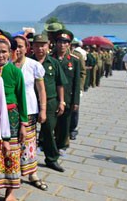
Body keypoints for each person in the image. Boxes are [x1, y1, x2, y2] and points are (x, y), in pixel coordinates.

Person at [0, 39, 27, 201]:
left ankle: (10, 192)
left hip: (12, 117)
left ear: (10, 52)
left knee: (10, 154)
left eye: (4, 51)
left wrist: (24, 124)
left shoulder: (15, 71)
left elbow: (22, 98)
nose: (0, 55)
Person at [12, 35, 48, 191]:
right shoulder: (6, 65)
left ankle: (32, 174)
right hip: (11, 111)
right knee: (13, 143)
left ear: (27, 48)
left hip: (30, 110)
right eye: (15, 46)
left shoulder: (34, 65)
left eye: (21, 46)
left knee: (29, 142)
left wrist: (43, 109)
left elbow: (41, 89)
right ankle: (12, 175)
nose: (18, 49)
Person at [31, 34, 67, 173]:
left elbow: (60, 84)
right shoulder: (27, 62)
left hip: (51, 101)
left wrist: (62, 102)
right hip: (31, 101)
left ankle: (51, 159)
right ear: (32, 46)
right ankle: (26, 159)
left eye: (43, 45)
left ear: (48, 46)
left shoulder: (53, 63)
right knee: (28, 132)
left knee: (48, 131)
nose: (40, 48)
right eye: (37, 45)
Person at [53, 30, 81, 152]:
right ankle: (50, 143)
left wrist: (76, 101)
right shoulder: (50, 58)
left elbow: (76, 82)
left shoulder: (74, 60)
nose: (62, 45)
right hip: (53, 96)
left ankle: (62, 145)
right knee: (53, 123)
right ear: (56, 43)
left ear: (69, 44)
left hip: (68, 97)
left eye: (65, 42)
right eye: (60, 42)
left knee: (65, 123)